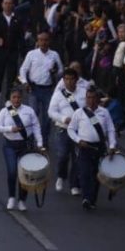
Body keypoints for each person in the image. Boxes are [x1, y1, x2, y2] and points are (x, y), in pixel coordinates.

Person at [66, 86, 117, 211]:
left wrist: (112, 146)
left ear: (98, 99)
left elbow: (111, 130)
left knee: (96, 175)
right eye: (88, 98)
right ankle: (86, 198)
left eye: (93, 98)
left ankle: (92, 199)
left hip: (99, 147)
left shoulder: (104, 113)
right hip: (84, 147)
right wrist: (79, 140)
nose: (91, 100)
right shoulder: (79, 113)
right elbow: (71, 129)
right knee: (84, 173)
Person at [0, 86, 44, 211]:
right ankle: (11, 197)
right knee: (12, 172)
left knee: (25, 174)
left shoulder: (29, 111)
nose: (16, 100)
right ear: (10, 98)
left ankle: (22, 200)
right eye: (14, 97)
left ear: (22, 98)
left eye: (18, 97)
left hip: (25, 146)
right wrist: (10, 129)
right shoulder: (5, 111)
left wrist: (40, 142)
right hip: (10, 146)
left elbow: (36, 126)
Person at [17, 31, 63, 149]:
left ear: (49, 41)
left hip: (48, 89)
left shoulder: (54, 55)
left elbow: (61, 71)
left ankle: (44, 141)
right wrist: (25, 82)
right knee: (33, 116)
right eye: (41, 40)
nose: (43, 42)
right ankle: (30, 141)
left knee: (47, 118)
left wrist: (55, 72)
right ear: (37, 41)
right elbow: (23, 70)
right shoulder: (31, 54)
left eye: (46, 40)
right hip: (34, 89)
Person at [48, 67, 88, 195]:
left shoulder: (83, 92)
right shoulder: (59, 94)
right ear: (63, 80)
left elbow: (89, 108)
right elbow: (51, 111)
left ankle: (74, 184)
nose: (69, 82)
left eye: (72, 79)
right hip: (63, 129)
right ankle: (61, 176)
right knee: (62, 155)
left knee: (77, 157)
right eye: (66, 79)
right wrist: (63, 118)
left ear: (76, 80)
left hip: (79, 131)